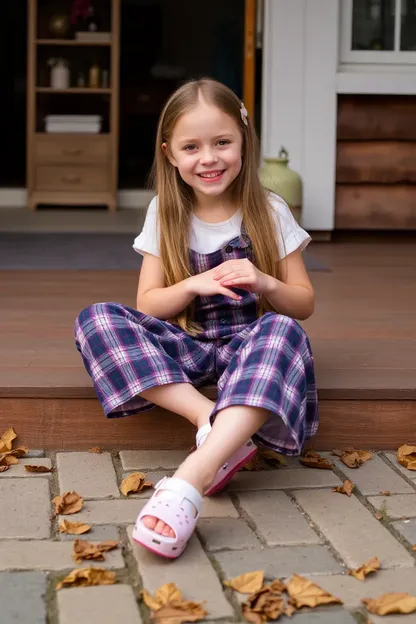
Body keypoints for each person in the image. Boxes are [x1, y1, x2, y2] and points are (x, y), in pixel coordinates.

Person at [74, 78, 318, 559]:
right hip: (184, 345)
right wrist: (190, 285)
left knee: (285, 330)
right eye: (192, 147)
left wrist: (266, 283)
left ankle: (188, 483)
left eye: (222, 142)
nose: (209, 158)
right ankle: (211, 423)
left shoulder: (268, 210)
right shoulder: (165, 210)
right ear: (170, 154)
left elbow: (304, 302)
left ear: (244, 142)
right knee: (97, 319)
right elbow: (148, 304)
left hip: (249, 348)